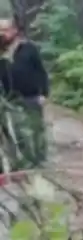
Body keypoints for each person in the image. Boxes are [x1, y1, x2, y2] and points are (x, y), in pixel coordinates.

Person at [0, 19, 48, 169]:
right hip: (11, 99)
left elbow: (41, 72)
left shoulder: (28, 48)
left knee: (36, 130)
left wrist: (44, 93)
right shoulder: (1, 52)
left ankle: (40, 161)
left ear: (14, 30)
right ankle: (25, 163)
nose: (2, 33)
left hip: (32, 96)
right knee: (19, 132)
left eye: (5, 30)